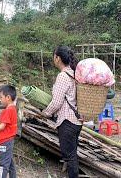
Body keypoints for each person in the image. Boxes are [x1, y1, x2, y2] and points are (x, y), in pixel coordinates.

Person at [42, 46, 82, 178]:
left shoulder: (63, 76)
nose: (53, 59)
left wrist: (45, 113)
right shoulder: (74, 74)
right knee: (72, 154)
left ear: (58, 58)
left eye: (54, 57)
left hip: (67, 121)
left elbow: (57, 102)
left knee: (69, 156)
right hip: (76, 121)